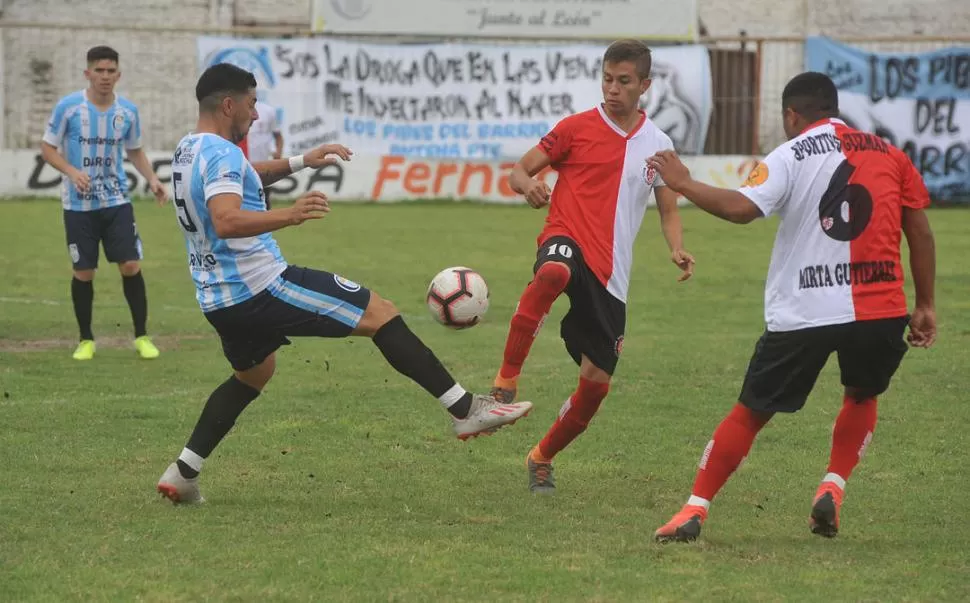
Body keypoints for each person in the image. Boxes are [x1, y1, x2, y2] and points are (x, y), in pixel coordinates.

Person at [156, 63, 533, 504]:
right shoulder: (221, 153)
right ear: (228, 104)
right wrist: (290, 215)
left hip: (217, 296)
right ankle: (465, 409)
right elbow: (226, 219)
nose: (256, 115)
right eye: (252, 104)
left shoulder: (190, 149)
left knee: (254, 374)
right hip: (259, 286)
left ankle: (184, 472)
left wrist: (301, 160)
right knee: (381, 313)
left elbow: (241, 177)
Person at [648, 72, 937, 542]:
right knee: (862, 395)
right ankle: (832, 486)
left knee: (751, 412)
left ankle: (694, 510)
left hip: (807, 310)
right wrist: (925, 304)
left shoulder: (791, 153)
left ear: (791, 115)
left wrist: (682, 182)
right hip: (880, 308)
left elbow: (743, 208)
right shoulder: (891, 153)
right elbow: (920, 232)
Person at [490, 39, 695, 494]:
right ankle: (505, 381)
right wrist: (528, 188)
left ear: (645, 85)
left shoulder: (658, 145)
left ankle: (541, 457)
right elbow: (519, 171)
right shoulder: (574, 128)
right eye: (607, 79)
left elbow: (668, 209)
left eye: (624, 81)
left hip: (611, 275)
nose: (613, 89)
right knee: (553, 272)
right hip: (566, 237)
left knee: (594, 388)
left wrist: (676, 248)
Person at [40, 45, 168, 361]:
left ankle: (141, 336)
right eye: (99, 70)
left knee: (130, 264)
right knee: (84, 271)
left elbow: (135, 150)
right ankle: (86, 340)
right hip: (78, 206)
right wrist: (71, 172)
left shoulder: (127, 112)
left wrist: (152, 180)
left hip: (116, 200)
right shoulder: (68, 108)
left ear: (118, 75)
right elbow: (47, 148)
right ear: (88, 73)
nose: (105, 76)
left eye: (111, 71)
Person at [246, 99, 284, 208]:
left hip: (262, 167)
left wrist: (278, 153)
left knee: (264, 202)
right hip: (242, 165)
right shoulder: (234, 110)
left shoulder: (268, 111)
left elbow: (278, 137)